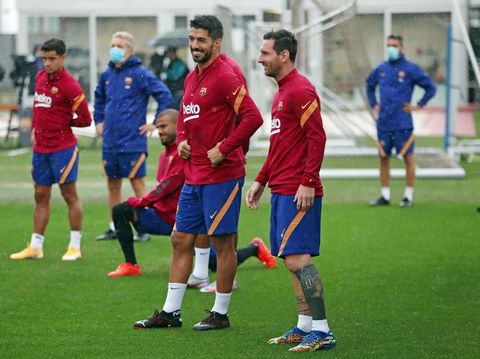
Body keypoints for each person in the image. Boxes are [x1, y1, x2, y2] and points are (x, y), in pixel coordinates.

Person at [133, 15, 263, 331]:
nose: (194, 46)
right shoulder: (193, 77)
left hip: (223, 175)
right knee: (180, 239)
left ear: (217, 42)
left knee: (222, 242)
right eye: (192, 39)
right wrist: (182, 141)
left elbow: (253, 118)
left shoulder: (227, 76)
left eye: (201, 40)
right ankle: (170, 312)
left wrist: (225, 148)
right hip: (194, 175)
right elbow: (183, 118)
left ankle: (220, 314)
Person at [246, 29, 336, 352]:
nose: (260, 59)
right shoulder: (282, 92)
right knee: (290, 261)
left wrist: (309, 180)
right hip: (282, 190)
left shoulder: (301, 90)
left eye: (266, 53)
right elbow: (278, 147)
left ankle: (323, 330)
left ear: (284, 55)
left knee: (300, 260)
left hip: (300, 192)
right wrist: (261, 180)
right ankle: (304, 325)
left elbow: (317, 138)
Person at [10, 38, 91, 261]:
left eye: (51, 59)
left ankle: (74, 246)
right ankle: (36, 247)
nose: (46, 63)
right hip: (41, 149)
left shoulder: (70, 86)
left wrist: (62, 124)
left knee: (68, 195)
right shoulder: (39, 78)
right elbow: (39, 109)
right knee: (40, 195)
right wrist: (37, 128)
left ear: (62, 58)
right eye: (44, 58)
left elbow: (85, 119)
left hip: (63, 149)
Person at [94, 31, 172, 241]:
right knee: (112, 185)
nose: (114, 49)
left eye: (118, 46)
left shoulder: (140, 73)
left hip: (132, 141)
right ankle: (114, 227)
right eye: (112, 45)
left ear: (129, 50)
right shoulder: (106, 75)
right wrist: (98, 121)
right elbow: (99, 99)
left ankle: (143, 227)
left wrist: (155, 122)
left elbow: (164, 94)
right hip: (110, 142)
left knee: (137, 183)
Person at [107, 109, 183, 277]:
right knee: (120, 210)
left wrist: (141, 202)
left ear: (179, 126)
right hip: (162, 218)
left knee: (215, 261)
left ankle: (254, 249)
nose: (160, 131)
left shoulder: (183, 153)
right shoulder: (165, 154)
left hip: (183, 224)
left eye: (164, 126)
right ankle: (131, 265)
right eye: (158, 127)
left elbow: (166, 187)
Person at [366, 35, 436, 208]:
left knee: (408, 158)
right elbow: (368, 84)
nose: (391, 48)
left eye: (394, 45)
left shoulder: (411, 69)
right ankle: (385, 196)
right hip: (383, 123)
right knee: (383, 158)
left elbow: (430, 87)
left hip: (403, 122)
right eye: (389, 45)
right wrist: (374, 104)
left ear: (402, 48)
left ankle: (408, 197)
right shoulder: (381, 69)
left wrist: (418, 105)